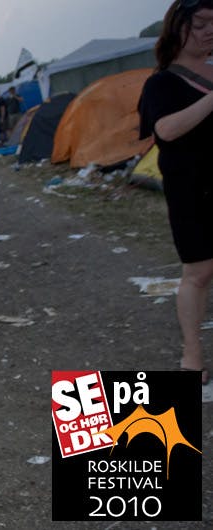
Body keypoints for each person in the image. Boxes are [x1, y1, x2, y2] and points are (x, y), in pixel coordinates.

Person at [138, 0, 213, 384]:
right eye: (199, 24)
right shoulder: (162, 82)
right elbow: (165, 131)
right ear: (178, 28)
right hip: (191, 188)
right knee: (198, 272)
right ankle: (192, 354)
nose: (208, 31)